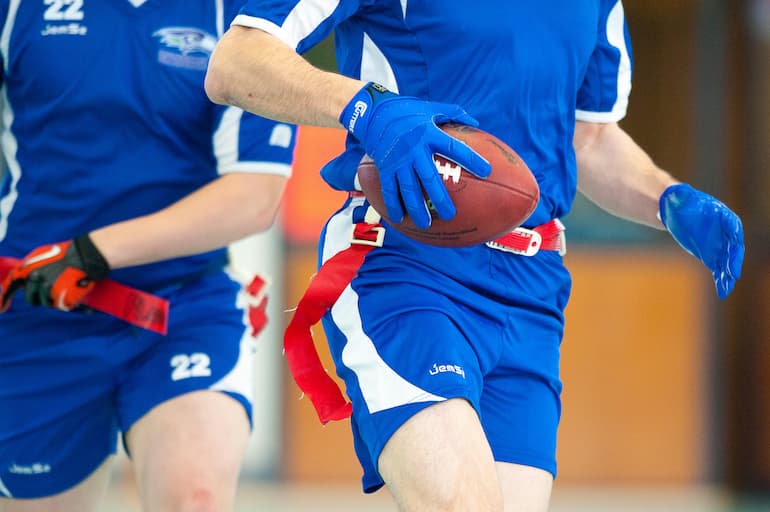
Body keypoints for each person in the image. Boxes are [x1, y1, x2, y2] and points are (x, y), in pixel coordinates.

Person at [205, 1, 745, 511]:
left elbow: (590, 139)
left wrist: (667, 199)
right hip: (404, 265)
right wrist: (366, 109)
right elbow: (236, 61)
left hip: (532, 289)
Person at [0, 2, 296, 511]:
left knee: (194, 498)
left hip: (183, 305)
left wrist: (92, 253)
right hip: (34, 309)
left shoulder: (242, 19)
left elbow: (254, 196)